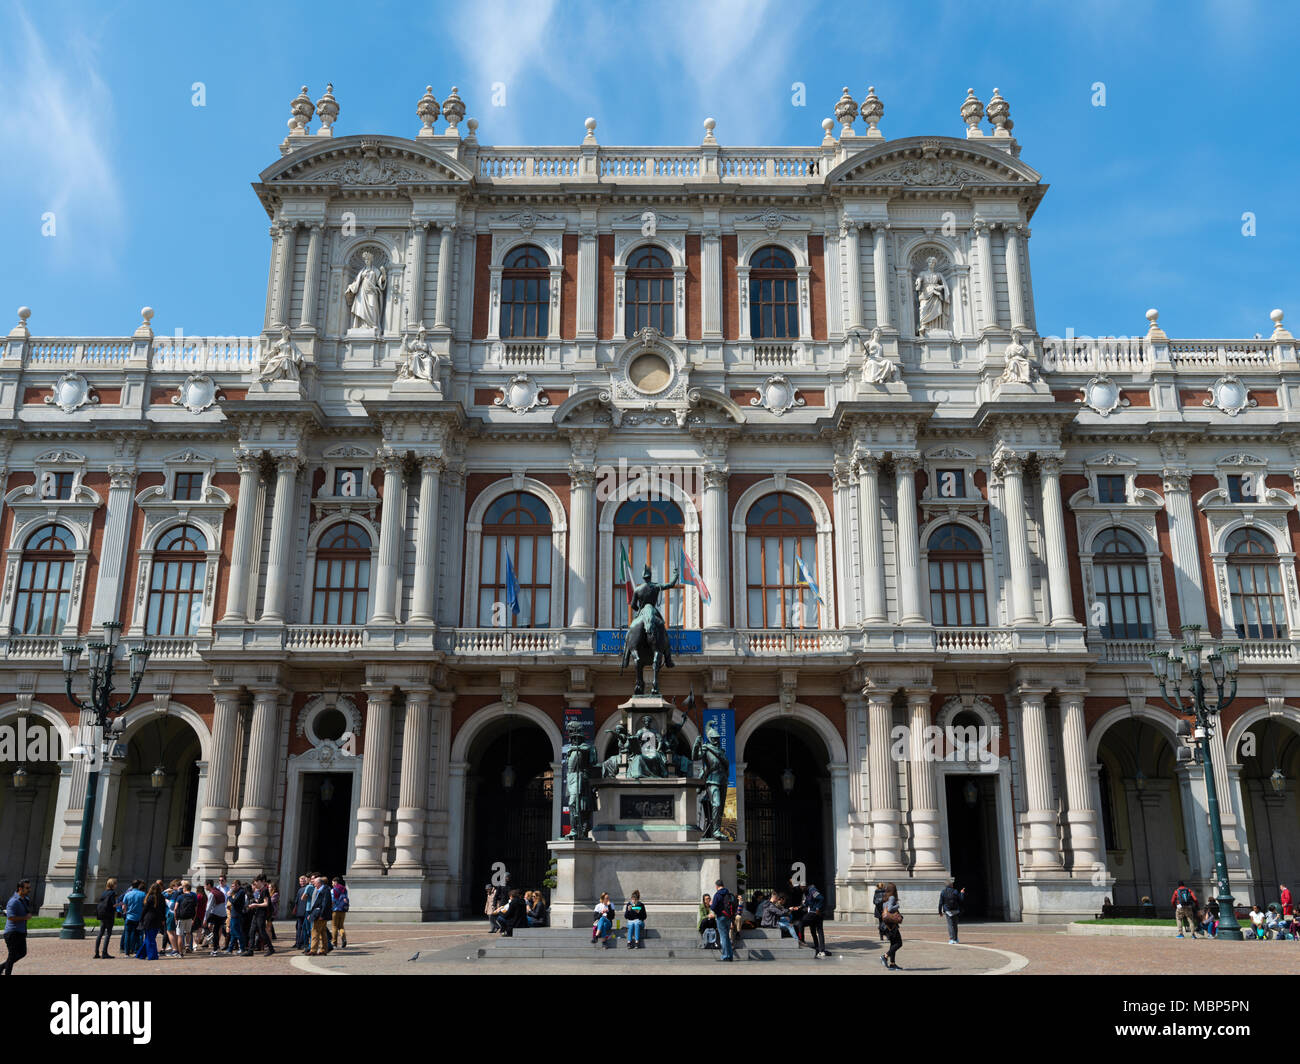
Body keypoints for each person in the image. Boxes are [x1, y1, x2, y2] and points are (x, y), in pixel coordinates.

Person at [1, 879, 33, 975]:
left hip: (21, 931)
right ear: (20, 888)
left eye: (29, 887)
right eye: (27, 888)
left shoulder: (25, 900)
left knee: (22, 953)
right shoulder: (13, 901)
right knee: (12, 955)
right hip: (12, 933)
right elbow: (10, 917)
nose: (29, 890)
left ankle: (1, 967)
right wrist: (25, 917)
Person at [244, 878, 274, 956]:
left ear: (259, 882)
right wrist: (255, 901)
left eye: (255, 883)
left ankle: (271, 948)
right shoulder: (261, 891)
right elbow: (261, 901)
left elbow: (266, 903)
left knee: (262, 932)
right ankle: (250, 950)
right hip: (256, 913)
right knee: (252, 932)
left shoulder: (264, 890)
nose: (254, 885)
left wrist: (255, 905)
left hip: (261, 914)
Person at [136, 882, 165, 961]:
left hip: (148, 919)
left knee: (149, 938)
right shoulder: (162, 897)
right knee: (150, 938)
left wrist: (141, 919)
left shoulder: (150, 897)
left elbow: (144, 910)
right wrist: (163, 919)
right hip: (157, 920)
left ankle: (151, 955)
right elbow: (163, 910)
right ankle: (142, 954)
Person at [800, 883, 830, 957]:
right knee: (813, 930)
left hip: (816, 913)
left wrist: (817, 908)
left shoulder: (812, 890)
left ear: (804, 885)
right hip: (813, 913)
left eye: (801, 886)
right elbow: (807, 903)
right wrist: (800, 906)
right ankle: (817, 947)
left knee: (801, 924)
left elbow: (821, 898)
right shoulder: (807, 892)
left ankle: (821, 949)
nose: (800, 888)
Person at [307, 874, 333, 956]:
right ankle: (323, 950)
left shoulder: (325, 890)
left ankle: (313, 950)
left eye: (314, 883)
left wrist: (322, 915)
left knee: (315, 931)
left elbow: (325, 904)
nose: (313, 884)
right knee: (323, 933)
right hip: (319, 914)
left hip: (320, 915)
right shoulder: (321, 890)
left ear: (319, 883)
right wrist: (311, 914)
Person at [879, 881, 903, 970]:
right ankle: (885, 956)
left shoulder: (885, 897)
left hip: (887, 925)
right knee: (899, 943)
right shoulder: (892, 897)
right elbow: (890, 909)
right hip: (892, 926)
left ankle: (892, 964)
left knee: (893, 944)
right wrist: (897, 906)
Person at [710, 879, 735, 962]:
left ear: (717, 886)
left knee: (723, 937)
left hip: (720, 916)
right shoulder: (728, 893)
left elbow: (713, 907)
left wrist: (711, 904)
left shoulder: (717, 894)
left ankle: (725, 956)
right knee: (727, 937)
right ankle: (730, 955)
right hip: (728, 917)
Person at [120, 879, 145, 958]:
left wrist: (125, 913)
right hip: (139, 918)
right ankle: (137, 951)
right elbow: (145, 906)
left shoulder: (127, 894)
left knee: (127, 935)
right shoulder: (143, 894)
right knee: (138, 935)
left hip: (129, 917)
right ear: (139, 885)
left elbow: (123, 906)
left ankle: (127, 952)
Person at [94, 878, 119, 959]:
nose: (116, 885)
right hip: (109, 915)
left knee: (100, 933)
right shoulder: (112, 893)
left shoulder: (104, 893)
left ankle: (97, 952)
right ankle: (104, 952)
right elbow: (113, 905)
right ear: (113, 885)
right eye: (115, 884)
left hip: (102, 914)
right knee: (108, 933)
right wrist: (121, 903)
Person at [938, 879, 966, 945]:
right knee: (955, 925)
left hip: (948, 911)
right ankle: (956, 939)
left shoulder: (943, 892)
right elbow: (961, 900)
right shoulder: (955, 891)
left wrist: (940, 912)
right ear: (951, 885)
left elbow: (940, 903)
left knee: (950, 925)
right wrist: (962, 893)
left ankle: (951, 939)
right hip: (955, 910)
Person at [174, 881, 197, 956]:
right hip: (190, 918)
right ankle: (187, 946)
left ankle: (180, 953)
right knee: (188, 933)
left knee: (180, 935)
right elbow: (196, 909)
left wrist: (175, 918)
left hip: (181, 918)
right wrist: (193, 918)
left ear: (184, 889)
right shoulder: (193, 896)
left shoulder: (180, 897)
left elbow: (175, 908)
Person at [204, 880, 227, 956]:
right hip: (223, 915)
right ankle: (215, 950)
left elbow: (208, 908)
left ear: (209, 885)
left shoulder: (212, 894)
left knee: (201, 923)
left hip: (216, 914)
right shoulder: (219, 892)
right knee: (216, 932)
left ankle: (208, 934)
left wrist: (205, 920)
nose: (204, 886)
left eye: (205, 885)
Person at [226, 879, 248, 954]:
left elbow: (234, 902)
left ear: (238, 885)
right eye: (231, 886)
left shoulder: (241, 892)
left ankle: (242, 948)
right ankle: (230, 949)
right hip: (234, 914)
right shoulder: (237, 892)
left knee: (237, 932)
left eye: (233, 886)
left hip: (237, 915)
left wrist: (229, 896)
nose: (232, 888)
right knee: (232, 932)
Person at [293, 875, 311, 949]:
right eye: (300, 881)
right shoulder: (301, 889)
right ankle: (299, 943)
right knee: (300, 928)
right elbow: (296, 901)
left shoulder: (304, 889)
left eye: (303, 881)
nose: (301, 882)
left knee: (300, 928)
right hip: (301, 911)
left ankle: (299, 943)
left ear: (306, 881)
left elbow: (296, 901)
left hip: (302, 911)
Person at [331, 876, 349, 948]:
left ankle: (334, 943)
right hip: (343, 909)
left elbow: (332, 901)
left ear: (335, 882)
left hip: (335, 910)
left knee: (334, 926)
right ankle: (343, 938)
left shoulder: (333, 890)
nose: (332, 884)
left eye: (332, 882)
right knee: (341, 926)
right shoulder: (344, 889)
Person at [193, 884, 208, 949]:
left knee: (194, 931)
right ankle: (196, 943)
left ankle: (194, 943)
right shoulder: (205, 896)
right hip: (202, 915)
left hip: (197, 915)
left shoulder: (198, 896)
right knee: (199, 930)